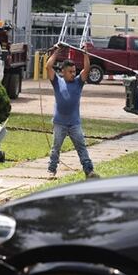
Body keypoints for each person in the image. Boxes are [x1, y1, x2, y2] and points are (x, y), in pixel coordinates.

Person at [45, 45, 96, 178]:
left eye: (74, 71)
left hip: (74, 123)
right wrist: (57, 51)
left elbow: (87, 69)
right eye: (70, 72)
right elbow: (48, 67)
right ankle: (51, 170)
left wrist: (85, 54)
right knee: (56, 148)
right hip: (59, 123)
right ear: (63, 71)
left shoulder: (79, 82)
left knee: (81, 147)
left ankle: (89, 170)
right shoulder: (57, 81)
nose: (73, 74)